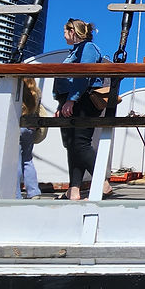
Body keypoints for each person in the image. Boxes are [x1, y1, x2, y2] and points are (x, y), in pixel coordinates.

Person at [53, 18, 113, 201]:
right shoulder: (76, 50)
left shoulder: (87, 48)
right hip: (72, 101)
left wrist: (71, 100)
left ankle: (102, 182)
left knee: (80, 143)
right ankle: (74, 189)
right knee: (72, 146)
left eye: (65, 31)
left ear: (73, 31)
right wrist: (61, 104)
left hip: (82, 100)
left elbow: (83, 75)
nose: (63, 35)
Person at [18, 78, 42, 199]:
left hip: (18, 127)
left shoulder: (18, 90)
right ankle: (33, 191)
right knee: (27, 159)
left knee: (14, 161)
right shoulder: (37, 92)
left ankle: (16, 193)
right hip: (31, 129)